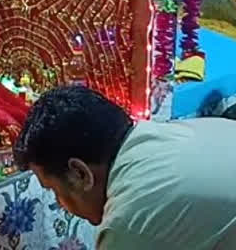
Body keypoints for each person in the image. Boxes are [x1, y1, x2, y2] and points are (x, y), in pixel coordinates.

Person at [14, 86, 236, 249]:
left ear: (80, 173)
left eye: (55, 190)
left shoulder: (129, 223)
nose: (60, 205)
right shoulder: (185, 130)